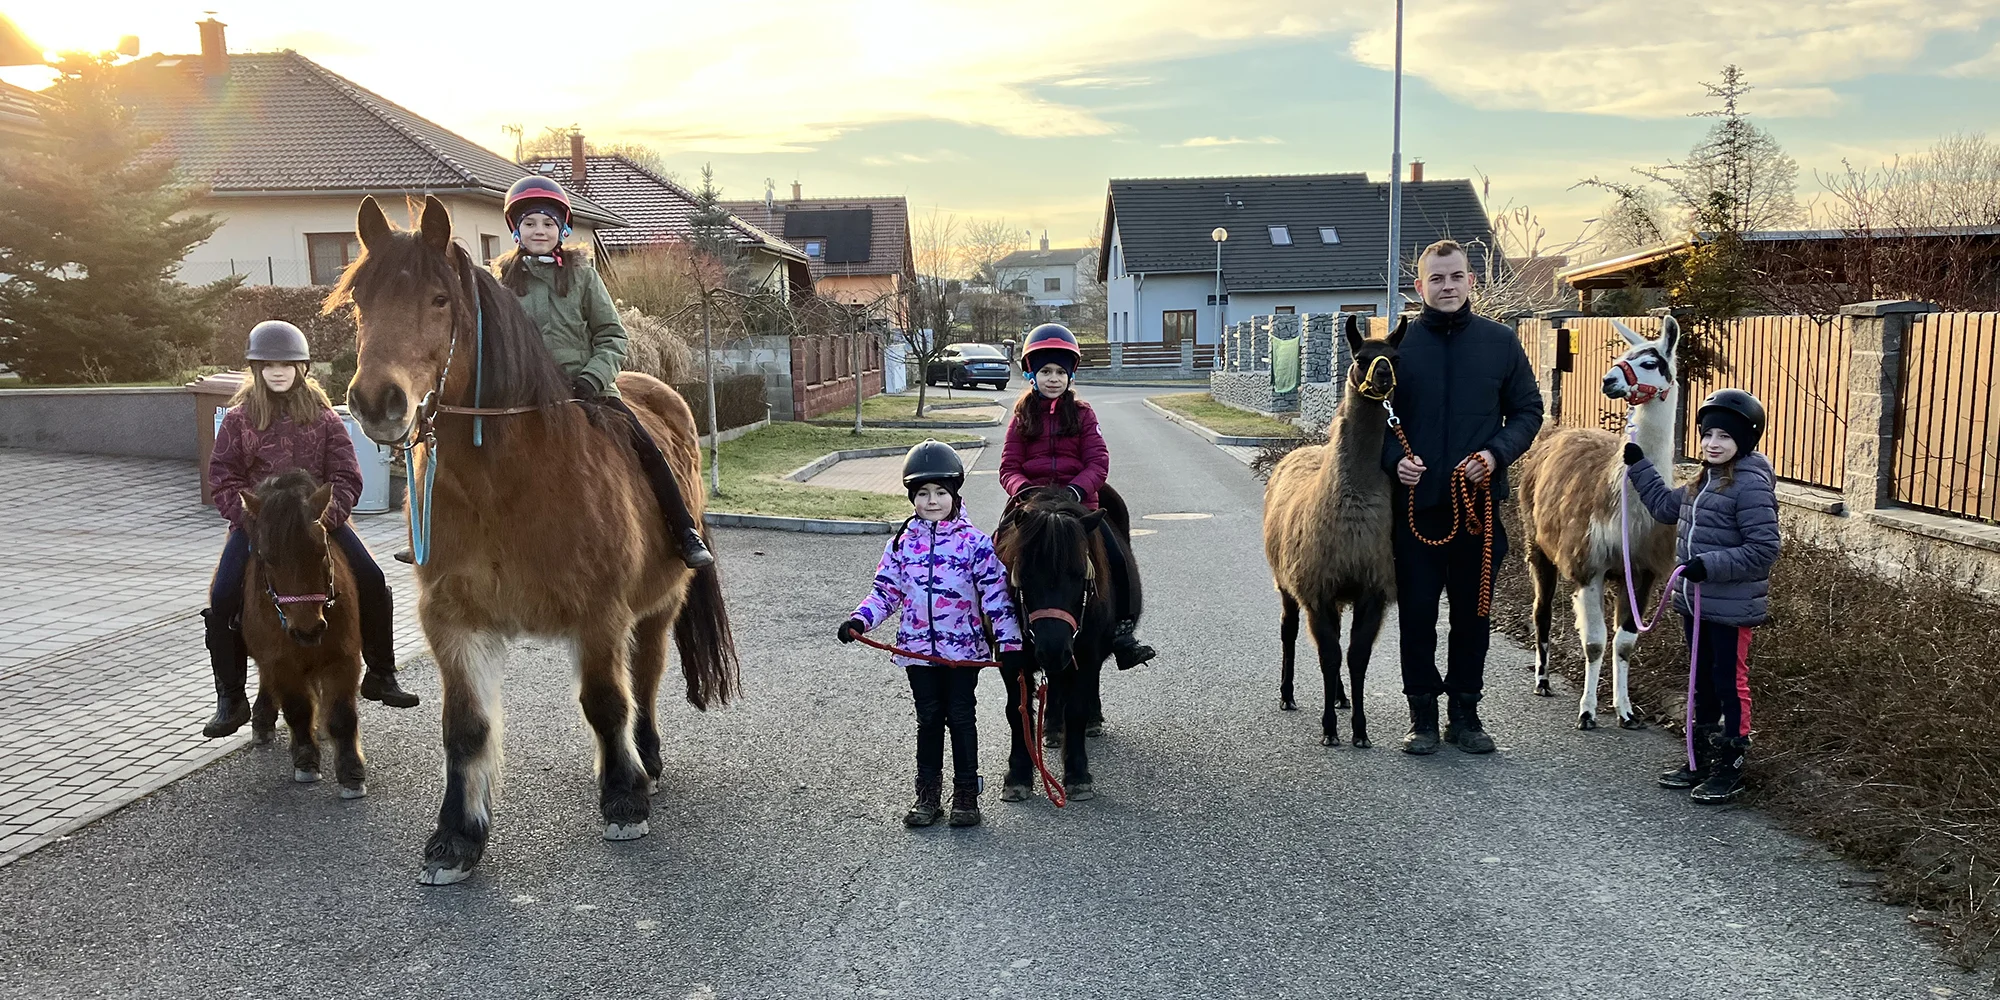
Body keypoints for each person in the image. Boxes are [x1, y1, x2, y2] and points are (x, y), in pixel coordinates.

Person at [204, 320, 418, 737]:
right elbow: (223, 478)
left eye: (287, 364)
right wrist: (256, 522)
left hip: (318, 524)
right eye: (268, 365)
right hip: (262, 529)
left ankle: (381, 671)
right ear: (256, 369)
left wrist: (323, 517)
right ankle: (230, 696)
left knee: (373, 579)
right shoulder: (239, 420)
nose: (278, 371)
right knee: (223, 594)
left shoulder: (324, 418)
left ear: (302, 368)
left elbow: (346, 474)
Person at [495, 174, 713, 569]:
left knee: (645, 447)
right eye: (529, 223)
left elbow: (612, 335)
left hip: (589, 390)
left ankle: (683, 529)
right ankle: (447, 538)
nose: (539, 231)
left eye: (547, 223)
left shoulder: (582, 275)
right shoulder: (503, 283)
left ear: (561, 228)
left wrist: (592, 378)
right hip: (524, 398)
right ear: (516, 230)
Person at [1382, 240, 1544, 756]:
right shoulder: (1399, 348)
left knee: (1473, 615)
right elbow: (1368, 419)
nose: (1447, 286)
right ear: (1419, 286)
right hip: (1415, 510)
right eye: (1437, 279)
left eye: (1456, 277)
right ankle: (1423, 716)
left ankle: (1466, 714)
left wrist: (1496, 455)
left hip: (1477, 510)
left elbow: (1527, 411)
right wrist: (1394, 461)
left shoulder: (1500, 343)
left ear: (1471, 281)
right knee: (1418, 614)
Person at [839, 441, 1023, 828]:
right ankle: (927, 796)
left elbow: (996, 597)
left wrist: (1009, 643)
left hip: (964, 651)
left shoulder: (975, 544)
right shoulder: (902, 543)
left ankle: (966, 796)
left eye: (940, 492)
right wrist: (860, 620)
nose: (932, 500)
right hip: (918, 651)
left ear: (955, 494)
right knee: (928, 718)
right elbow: (886, 591)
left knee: (960, 716)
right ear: (912, 498)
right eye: (923, 494)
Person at [1624, 388, 1780, 803]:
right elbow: (1663, 507)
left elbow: (1764, 550)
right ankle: (1699, 758)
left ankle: (1730, 765)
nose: (1713, 443)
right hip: (1695, 603)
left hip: (1730, 608)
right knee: (1701, 683)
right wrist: (1639, 467)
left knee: (1730, 683)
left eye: (1724, 437)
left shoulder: (1749, 486)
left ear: (1744, 441)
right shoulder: (1702, 482)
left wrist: (1709, 565)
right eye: (1708, 434)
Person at [998, 323, 1155, 670]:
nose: (1053, 378)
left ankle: (1124, 630)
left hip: (1078, 506)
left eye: (1060, 371)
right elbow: (1008, 466)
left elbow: (1098, 462)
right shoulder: (1021, 417)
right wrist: (1023, 490)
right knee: (997, 554)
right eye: (1045, 371)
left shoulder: (1083, 414)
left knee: (1116, 556)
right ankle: (996, 625)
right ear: (1031, 374)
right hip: (1034, 507)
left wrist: (1075, 490)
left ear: (1070, 375)